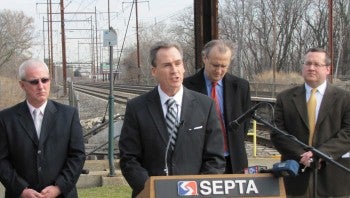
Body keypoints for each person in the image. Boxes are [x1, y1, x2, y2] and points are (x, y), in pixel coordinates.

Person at [119, 41, 226, 197]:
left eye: (178, 63)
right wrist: (151, 189)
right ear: (154, 71)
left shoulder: (206, 105)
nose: (174, 70)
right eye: (167, 65)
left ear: (183, 67)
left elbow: (215, 158)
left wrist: (199, 190)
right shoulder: (136, 108)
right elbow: (129, 158)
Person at [0, 59, 86, 198]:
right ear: (22, 85)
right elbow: (2, 160)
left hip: (62, 194)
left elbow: (78, 155)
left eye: (45, 80)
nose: (41, 86)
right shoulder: (6, 119)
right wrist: (21, 189)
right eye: (34, 81)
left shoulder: (69, 115)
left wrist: (59, 187)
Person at [271, 48, 350, 197]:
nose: (311, 68)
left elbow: (348, 133)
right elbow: (277, 133)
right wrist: (302, 155)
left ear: (327, 69)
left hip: (333, 177)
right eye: (307, 63)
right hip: (296, 175)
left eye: (316, 64)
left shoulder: (345, 99)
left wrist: (320, 154)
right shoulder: (285, 98)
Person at [183, 39, 251, 174]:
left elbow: (244, 124)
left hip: (234, 161)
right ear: (204, 58)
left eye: (224, 66)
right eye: (215, 65)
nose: (219, 71)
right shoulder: (186, 87)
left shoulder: (241, 86)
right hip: (200, 162)